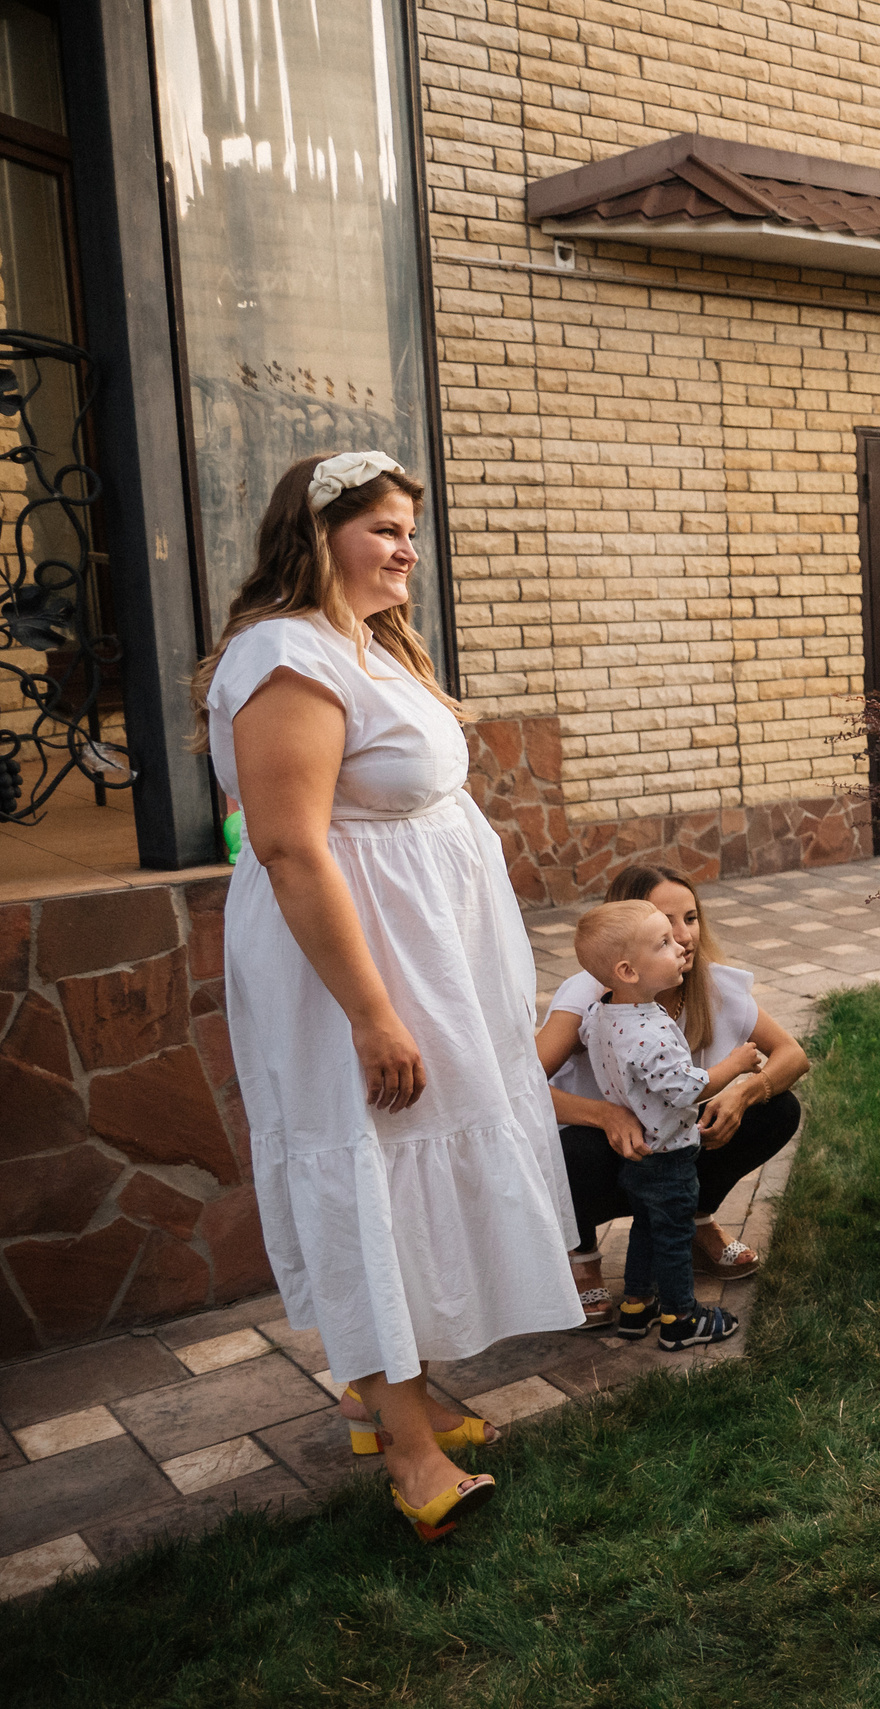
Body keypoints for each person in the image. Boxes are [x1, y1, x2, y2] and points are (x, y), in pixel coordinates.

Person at [193, 451, 582, 1544]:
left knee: (415, 1175)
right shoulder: (284, 656)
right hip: (349, 972)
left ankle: (392, 1400)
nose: (408, 548)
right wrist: (372, 1011)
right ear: (318, 536)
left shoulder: (364, 644)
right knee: (363, 1170)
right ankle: (408, 1449)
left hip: (425, 957)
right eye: (383, 529)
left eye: (412, 529)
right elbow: (287, 845)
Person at [537, 864, 808, 1325]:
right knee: (569, 1150)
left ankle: (695, 1221)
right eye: (666, 925)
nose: (684, 937)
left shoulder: (708, 981)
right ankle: (581, 1256)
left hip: (671, 1142)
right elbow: (518, 1087)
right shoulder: (589, 993)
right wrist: (602, 1114)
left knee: (777, 1109)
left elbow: (792, 1055)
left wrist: (743, 1094)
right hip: (604, 1146)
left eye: (691, 918)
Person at [572, 901, 741, 1351]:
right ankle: (680, 1319)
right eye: (663, 943)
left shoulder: (602, 1013)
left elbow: (593, 1041)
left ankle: (636, 1305)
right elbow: (686, 1091)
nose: (680, 945)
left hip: (636, 1152)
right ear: (628, 970)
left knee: (646, 1226)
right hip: (669, 1153)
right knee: (673, 1236)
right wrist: (735, 1065)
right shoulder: (651, 1030)